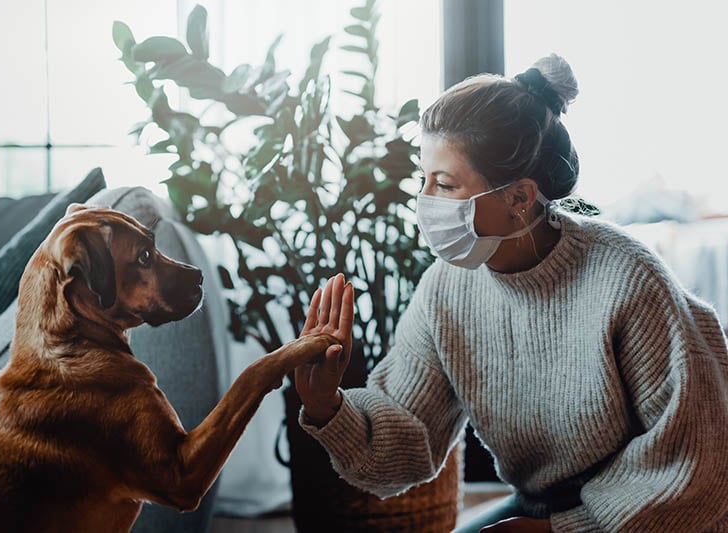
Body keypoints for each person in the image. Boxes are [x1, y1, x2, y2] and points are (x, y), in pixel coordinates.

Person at [293, 54, 728, 532]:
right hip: (540, 508)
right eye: (424, 179)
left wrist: (561, 531)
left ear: (519, 197)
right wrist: (327, 405)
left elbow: (702, 466)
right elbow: (408, 437)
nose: (425, 201)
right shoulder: (447, 287)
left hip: (662, 519)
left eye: (444, 183)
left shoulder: (628, 279)